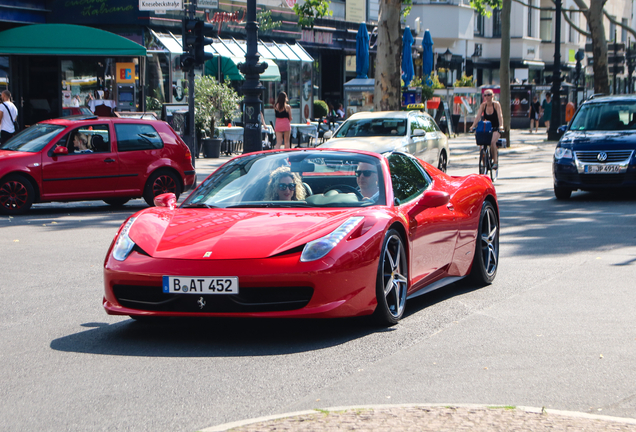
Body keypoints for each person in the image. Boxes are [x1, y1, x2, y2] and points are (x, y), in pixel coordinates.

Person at [470, 90, 504, 169]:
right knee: (481, 145)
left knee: (492, 142)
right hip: (487, 129)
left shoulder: (496, 105)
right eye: (485, 95)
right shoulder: (483, 105)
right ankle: (484, 162)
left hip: (496, 128)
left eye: (489, 95)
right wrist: (473, 126)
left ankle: (495, 162)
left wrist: (501, 126)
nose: (487, 97)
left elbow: (500, 116)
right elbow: (478, 117)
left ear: (492, 96)